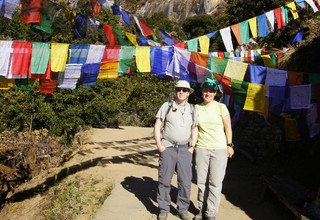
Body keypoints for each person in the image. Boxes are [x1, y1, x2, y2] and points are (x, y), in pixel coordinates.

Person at [154, 80, 198, 220]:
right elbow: (157, 125)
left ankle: (183, 209)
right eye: (179, 89)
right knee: (164, 180)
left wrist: (192, 147)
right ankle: (163, 209)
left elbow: (195, 128)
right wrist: (159, 145)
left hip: (185, 149)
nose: (181, 92)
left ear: (188, 93)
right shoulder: (166, 106)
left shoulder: (192, 109)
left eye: (184, 90)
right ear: (175, 90)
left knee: (185, 182)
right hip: (168, 147)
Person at [194, 78, 234, 220]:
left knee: (215, 183)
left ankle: (211, 213)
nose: (208, 93)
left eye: (211, 91)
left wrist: (229, 145)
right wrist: (192, 146)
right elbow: (195, 129)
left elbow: (228, 127)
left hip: (219, 149)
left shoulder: (221, 107)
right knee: (201, 182)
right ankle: (201, 210)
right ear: (202, 91)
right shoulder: (197, 108)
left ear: (215, 93)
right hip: (202, 148)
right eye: (206, 90)